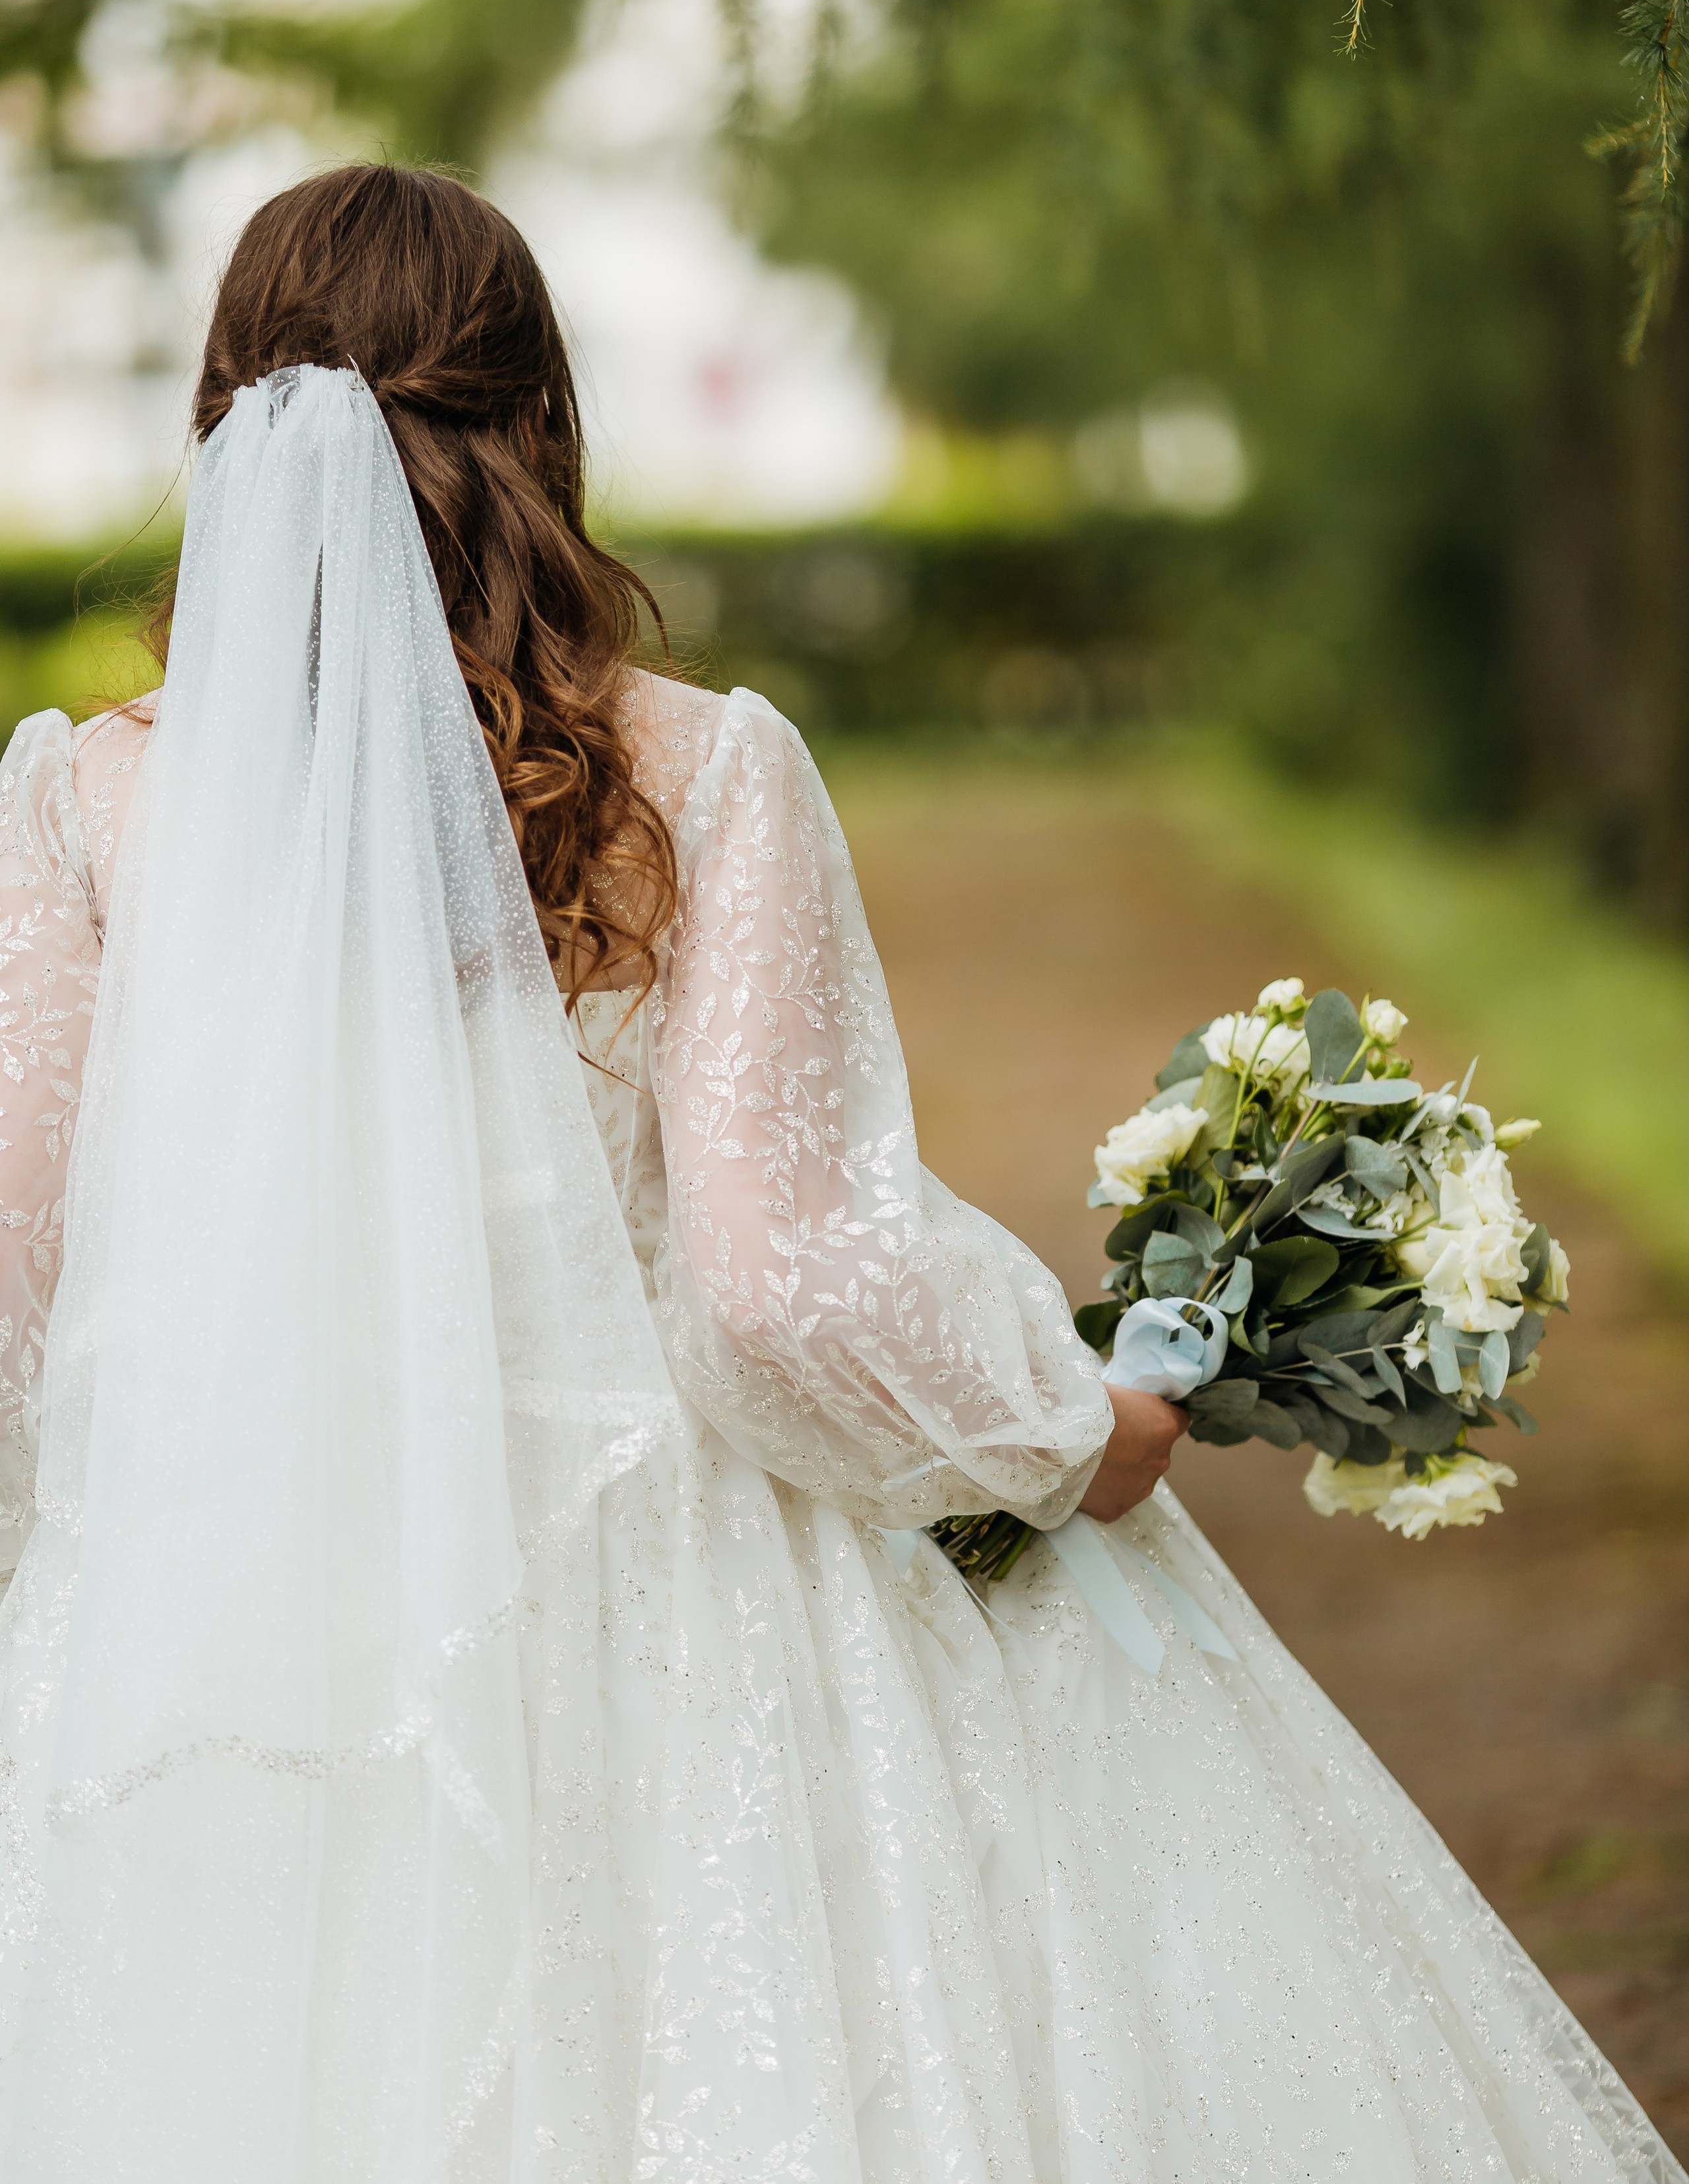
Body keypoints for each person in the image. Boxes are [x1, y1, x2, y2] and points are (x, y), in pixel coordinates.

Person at [0, 164, 1675, 2184]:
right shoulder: (696, 775)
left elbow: (32, 1282)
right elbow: (778, 1287)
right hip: (650, 1619)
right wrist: (1075, 1425)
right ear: (546, 430)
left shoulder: (84, 804)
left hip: (246, 1649)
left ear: (231, 437)